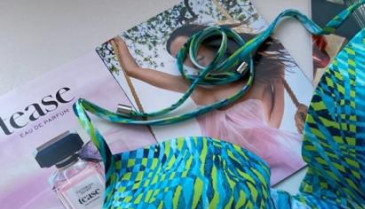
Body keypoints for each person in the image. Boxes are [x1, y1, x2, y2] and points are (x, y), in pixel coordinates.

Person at [113, 24, 305, 184]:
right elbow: (133, 70)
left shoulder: (255, 75)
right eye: (181, 57)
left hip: (272, 159)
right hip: (231, 172)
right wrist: (118, 41)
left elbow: (272, 124)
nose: (189, 58)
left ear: (206, 38)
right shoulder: (195, 88)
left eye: (189, 47)